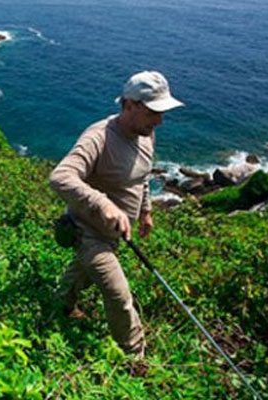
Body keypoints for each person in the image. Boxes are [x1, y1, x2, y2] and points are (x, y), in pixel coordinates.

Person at [49, 71, 184, 357]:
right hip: (87, 230)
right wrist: (104, 203)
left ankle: (61, 305)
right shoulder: (99, 137)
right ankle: (135, 354)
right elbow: (60, 177)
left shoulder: (145, 132)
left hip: (115, 233)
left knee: (83, 274)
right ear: (129, 105)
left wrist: (145, 210)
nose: (159, 120)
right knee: (118, 294)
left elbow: (142, 176)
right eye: (153, 112)